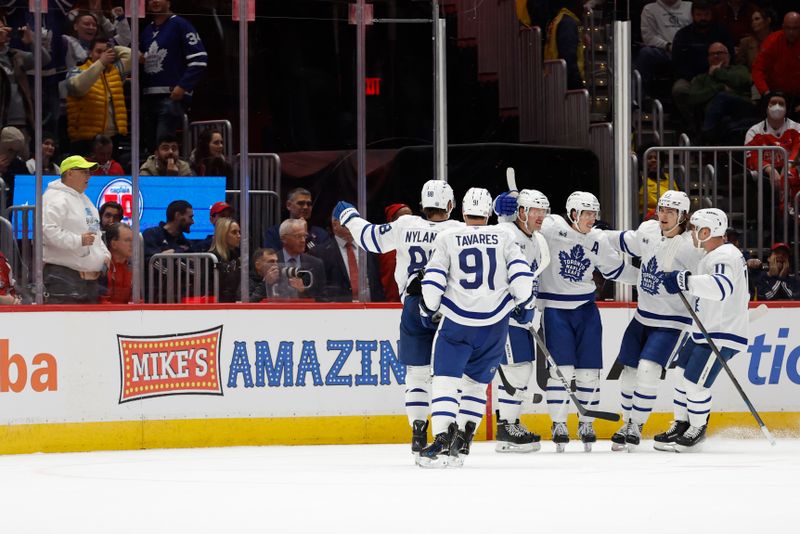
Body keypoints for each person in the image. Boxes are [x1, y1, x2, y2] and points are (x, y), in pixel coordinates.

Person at [334, 180, 463, 461]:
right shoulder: (458, 231)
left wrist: (348, 215)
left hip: (413, 305)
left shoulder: (405, 225)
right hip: (450, 306)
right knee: (447, 376)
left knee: (417, 374)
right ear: (451, 205)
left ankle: (418, 431)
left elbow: (368, 237)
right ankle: (452, 433)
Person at [416, 188, 534, 468]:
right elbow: (520, 275)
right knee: (477, 386)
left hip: (458, 322)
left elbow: (433, 280)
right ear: (489, 213)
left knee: (446, 380)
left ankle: (443, 438)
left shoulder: (448, 236)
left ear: (462, 210)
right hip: (495, 326)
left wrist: (427, 308)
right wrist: (525, 305)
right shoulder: (504, 235)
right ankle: (465, 438)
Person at [537, 191, 640, 452]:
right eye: (587, 213)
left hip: (586, 309)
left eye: (594, 213)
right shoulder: (551, 228)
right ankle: (558, 423)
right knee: (561, 371)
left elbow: (615, 270)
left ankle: (586, 422)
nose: (592, 218)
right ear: (573, 214)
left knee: (588, 372)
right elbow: (527, 228)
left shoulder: (598, 239)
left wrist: (645, 278)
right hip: (555, 310)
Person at [604, 191, 703, 450]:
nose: (665, 215)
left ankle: (636, 425)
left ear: (683, 216)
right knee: (628, 374)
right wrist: (593, 234)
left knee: (648, 370)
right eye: (662, 209)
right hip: (641, 318)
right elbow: (623, 240)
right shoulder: (648, 230)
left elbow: (711, 271)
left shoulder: (691, 246)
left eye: (672, 211)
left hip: (672, 323)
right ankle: (627, 423)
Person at [660, 208, 749, 452]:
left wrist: (684, 280)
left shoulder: (724, 255)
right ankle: (682, 423)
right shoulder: (711, 256)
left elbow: (721, 288)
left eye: (694, 229)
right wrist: (685, 281)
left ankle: (697, 428)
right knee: (679, 375)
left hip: (720, 334)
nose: (691, 234)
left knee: (694, 383)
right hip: (704, 330)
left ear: (708, 230)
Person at [490, 188, 550, 453]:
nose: (541, 216)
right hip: (507, 316)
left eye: (543, 211)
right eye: (535, 210)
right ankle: (506, 427)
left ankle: (510, 423)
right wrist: (500, 207)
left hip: (523, 315)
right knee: (517, 369)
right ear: (522, 211)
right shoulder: (506, 234)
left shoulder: (535, 239)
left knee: (521, 368)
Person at [140, 0, 207, 152]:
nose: (155, 1)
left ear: (169, 2)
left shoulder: (181, 25)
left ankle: (167, 175)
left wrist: (183, 87)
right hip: (148, 99)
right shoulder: (147, 30)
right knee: (150, 149)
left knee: (163, 147)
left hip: (170, 99)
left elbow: (199, 59)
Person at [42, 155, 110, 304]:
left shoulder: (85, 200)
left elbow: (95, 232)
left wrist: (105, 254)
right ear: (70, 173)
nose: (89, 176)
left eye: (89, 172)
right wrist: (78, 240)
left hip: (90, 281)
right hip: (63, 278)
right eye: (84, 171)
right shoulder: (55, 198)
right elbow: (47, 231)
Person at [671, 1, 735, 129]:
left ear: (711, 14)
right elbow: (677, 62)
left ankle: (719, 129)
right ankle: (694, 126)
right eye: (699, 14)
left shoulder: (722, 32)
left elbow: (730, 55)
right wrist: (693, 78)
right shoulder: (683, 35)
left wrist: (718, 74)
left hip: (718, 76)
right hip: (690, 78)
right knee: (679, 90)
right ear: (692, 15)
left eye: (706, 14)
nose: (703, 18)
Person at [65, 37, 131, 152]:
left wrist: (112, 49)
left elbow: (130, 54)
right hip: (85, 138)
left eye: (106, 52)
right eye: (98, 52)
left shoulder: (115, 72)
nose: (102, 55)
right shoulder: (76, 70)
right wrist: (101, 62)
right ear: (90, 53)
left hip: (111, 137)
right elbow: (78, 88)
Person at [744, 92, 800, 215]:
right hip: (766, 174)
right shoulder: (754, 131)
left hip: (791, 170)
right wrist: (769, 169)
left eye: (781, 104)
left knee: (792, 174)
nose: (777, 107)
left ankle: (792, 215)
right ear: (766, 107)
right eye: (773, 103)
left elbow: (798, 149)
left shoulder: (796, 128)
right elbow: (751, 157)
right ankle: (764, 225)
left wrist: (788, 165)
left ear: (786, 108)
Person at [311, 212, 385, 302]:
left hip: (371, 309)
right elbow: (320, 290)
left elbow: (377, 284)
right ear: (335, 225)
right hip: (338, 311)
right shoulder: (320, 253)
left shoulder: (371, 248)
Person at [688, 42, 754, 142]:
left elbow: (742, 81)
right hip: (715, 114)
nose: (715, 56)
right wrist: (720, 87)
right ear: (708, 58)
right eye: (712, 54)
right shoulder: (701, 79)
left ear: (728, 56)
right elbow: (693, 98)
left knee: (722, 97)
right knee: (720, 97)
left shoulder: (739, 69)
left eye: (719, 53)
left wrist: (717, 72)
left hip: (740, 107)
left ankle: (706, 135)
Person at [0, 21, 50, 136]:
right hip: (2, 121)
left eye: (3, 28)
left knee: (22, 153)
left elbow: (45, 59)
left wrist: (32, 41)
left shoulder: (16, 56)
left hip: (20, 121)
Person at [636, 0, 693, 94]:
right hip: (663, 52)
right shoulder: (649, 9)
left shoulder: (690, 7)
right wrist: (668, 46)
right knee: (645, 53)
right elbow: (649, 37)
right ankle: (640, 97)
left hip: (687, 51)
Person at [752, 12, 800, 111]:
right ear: (783, 27)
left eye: (795, 28)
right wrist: (766, 92)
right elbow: (758, 69)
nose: (791, 32)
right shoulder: (772, 41)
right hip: (774, 94)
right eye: (788, 28)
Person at [263, 188, 330, 251]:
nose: (306, 207)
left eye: (309, 204)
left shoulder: (321, 234)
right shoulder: (274, 233)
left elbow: (323, 258)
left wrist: (306, 236)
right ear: (289, 205)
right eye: (301, 203)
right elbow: (272, 259)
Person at [277, 218, 326, 300]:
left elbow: (323, 299)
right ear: (283, 239)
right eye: (298, 236)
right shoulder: (272, 262)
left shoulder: (316, 264)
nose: (303, 240)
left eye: (305, 236)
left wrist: (303, 292)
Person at [142, 199, 195, 265]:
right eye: (190, 217)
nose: (193, 222)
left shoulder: (186, 243)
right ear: (177, 215)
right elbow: (152, 263)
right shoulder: (152, 235)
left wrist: (172, 254)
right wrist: (177, 255)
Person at [378, 203, 412, 302]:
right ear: (392, 222)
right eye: (404, 218)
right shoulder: (386, 249)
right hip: (392, 305)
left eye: (411, 217)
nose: (409, 221)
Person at [639, 146, 679, 220]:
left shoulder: (670, 178)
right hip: (647, 220)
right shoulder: (639, 179)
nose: (653, 160)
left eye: (656, 158)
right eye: (649, 158)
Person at [208, 217, 241, 303]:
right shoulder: (211, 258)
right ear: (223, 234)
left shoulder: (237, 256)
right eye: (234, 232)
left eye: (239, 232)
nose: (239, 236)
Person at [99, 222, 132, 304]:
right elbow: (99, 301)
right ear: (114, 244)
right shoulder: (102, 267)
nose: (133, 244)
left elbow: (137, 301)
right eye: (127, 240)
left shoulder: (132, 269)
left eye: (133, 240)